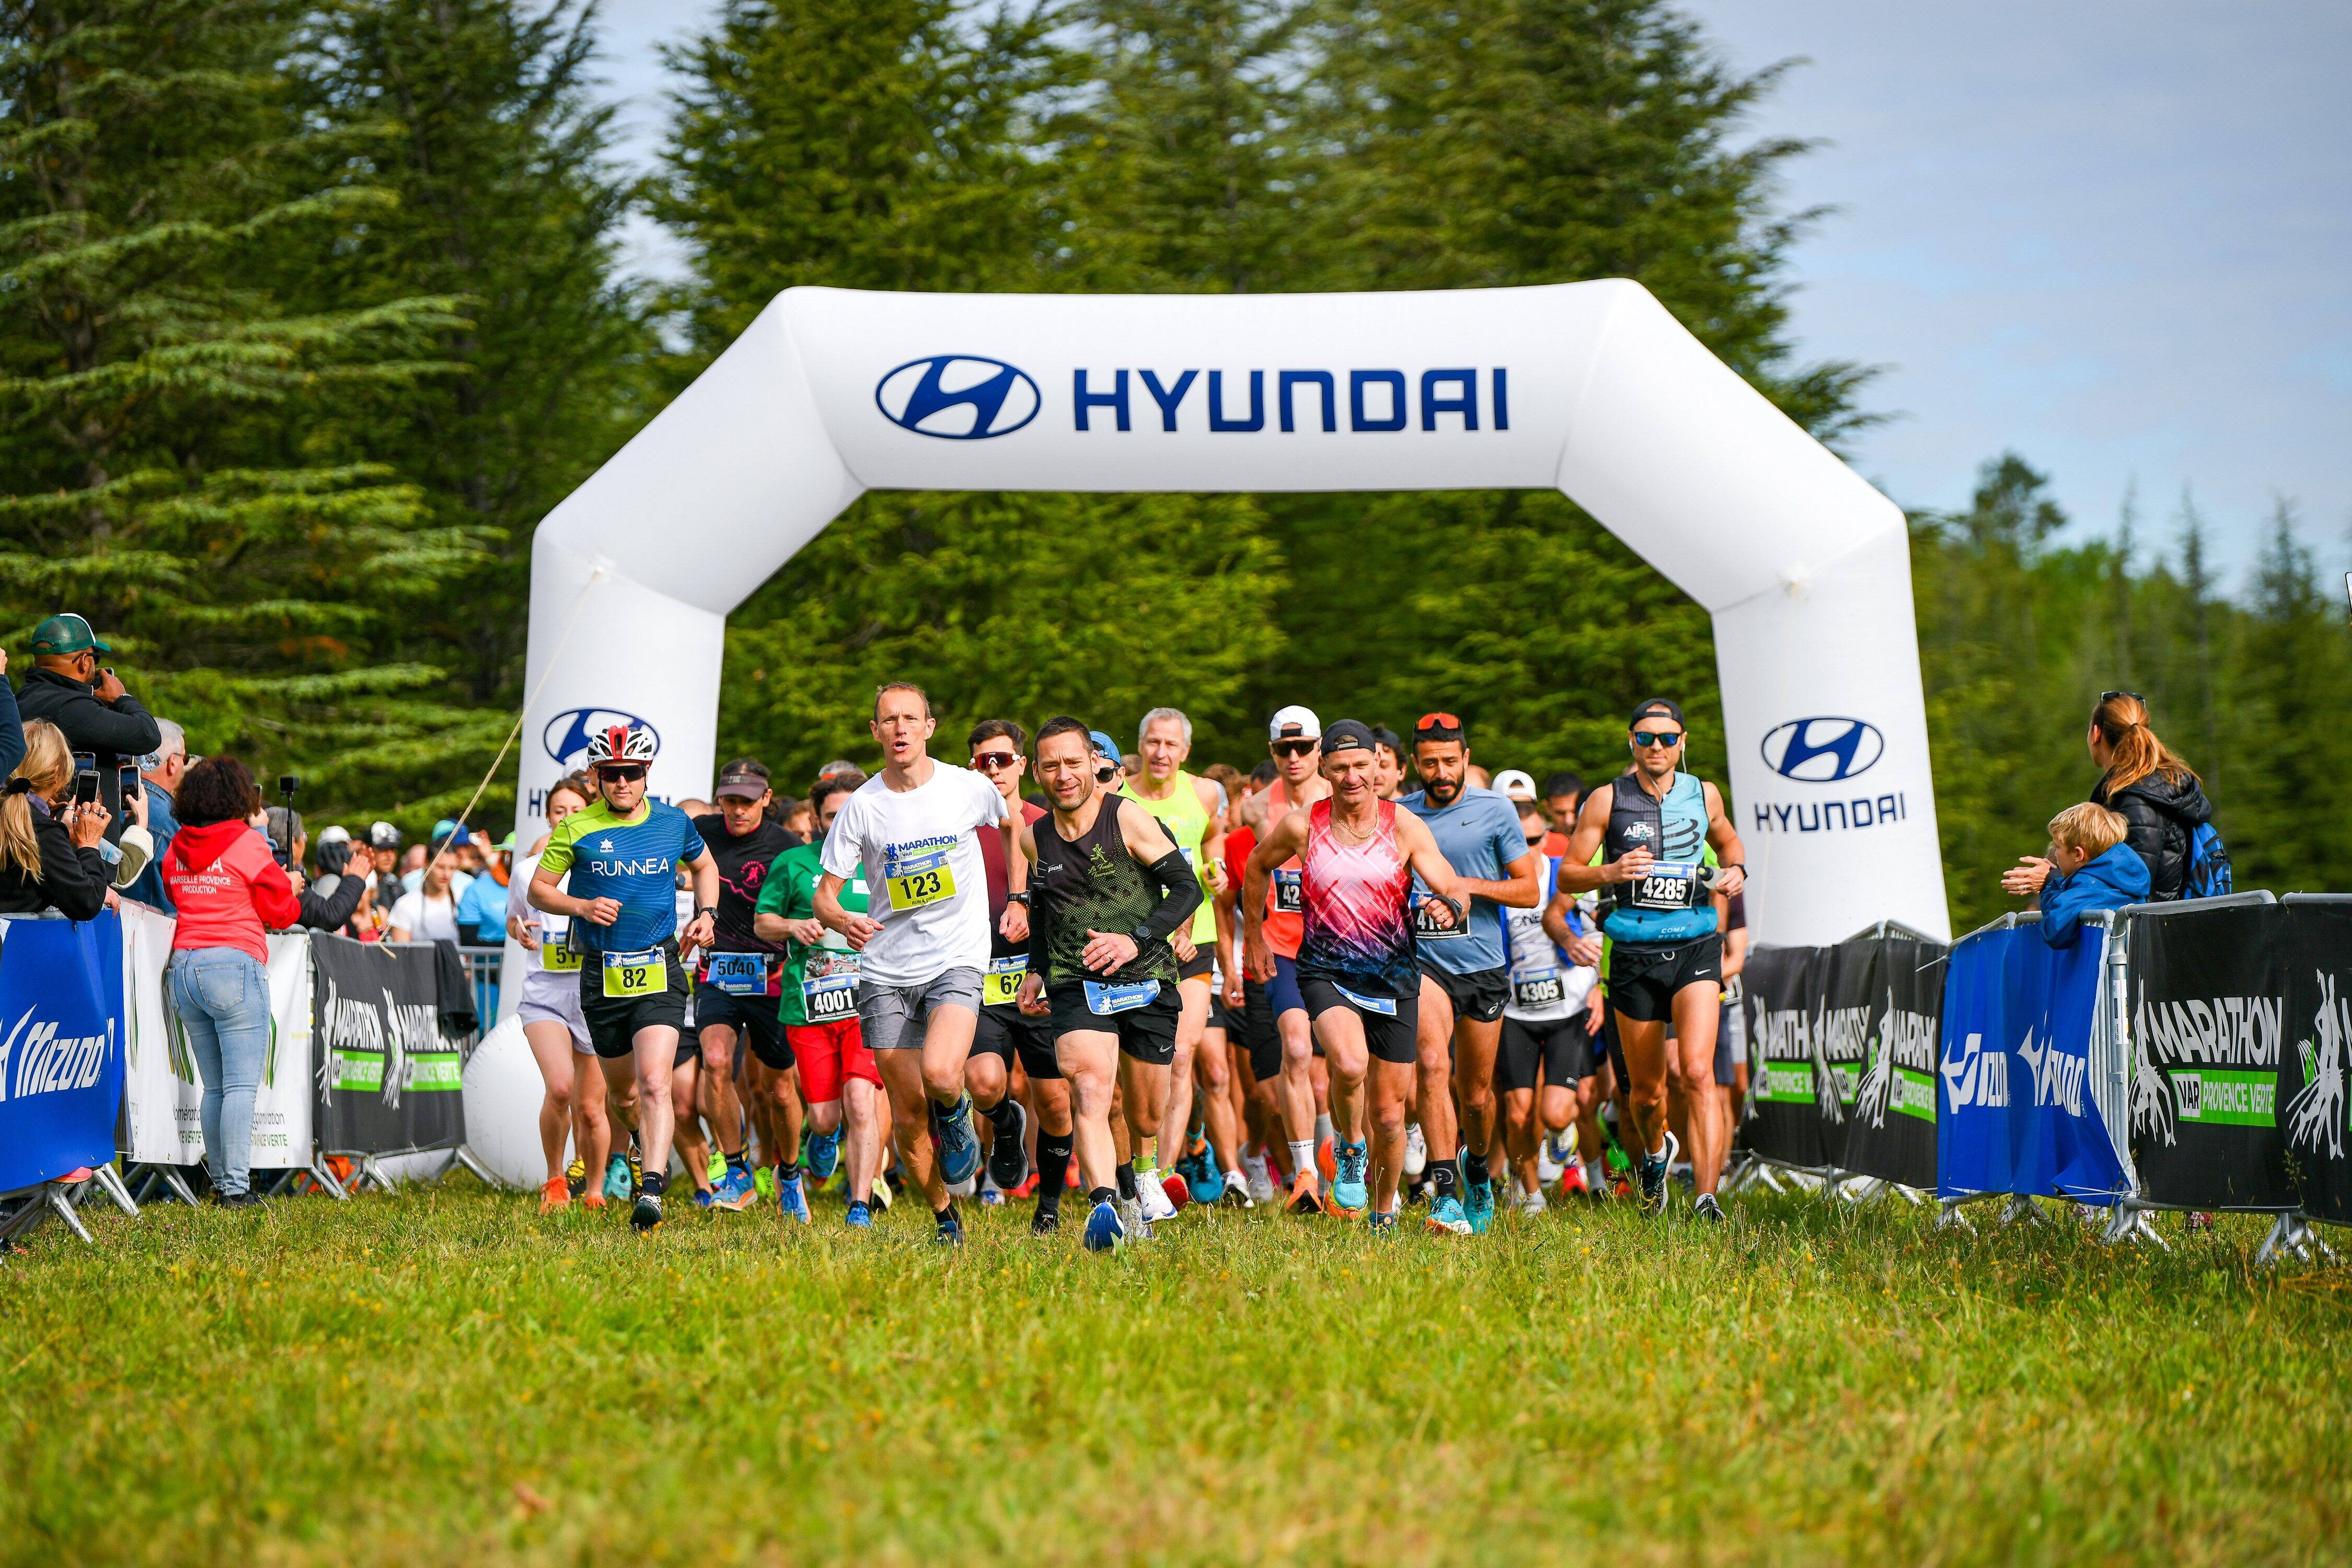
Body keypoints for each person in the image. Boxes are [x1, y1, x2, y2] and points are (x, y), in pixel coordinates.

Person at [813, 683, 1022, 1247]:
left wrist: (1021, 897)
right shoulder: (863, 806)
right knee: (906, 1115)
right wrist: (841, 921)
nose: (901, 728)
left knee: (940, 1073)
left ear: (930, 727)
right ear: (875, 732)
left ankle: (962, 1119)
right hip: (885, 970)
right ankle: (944, 1217)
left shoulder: (967, 787)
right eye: (889, 720)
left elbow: (1017, 823)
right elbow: (824, 896)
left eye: (911, 718)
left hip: (956, 954)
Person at [1243, 719, 1467, 1233]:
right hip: (1326, 970)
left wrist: (1447, 905)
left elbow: (1448, 880)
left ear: (1378, 768)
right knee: (1348, 1063)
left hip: (1393, 977)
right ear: (1325, 768)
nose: (1351, 778)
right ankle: (1349, 1149)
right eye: (1340, 768)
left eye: (1361, 767)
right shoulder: (1304, 826)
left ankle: (1384, 1209)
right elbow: (1256, 868)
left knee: (1391, 1114)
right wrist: (1255, 938)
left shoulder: (1404, 825)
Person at [1013, 717, 1203, 1250]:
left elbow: (1188, 891)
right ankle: (1102, 1206)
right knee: (1090, 1087)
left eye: (1073, 763)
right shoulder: (1035, 839)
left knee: (1145, 1112)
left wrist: (1136, 940)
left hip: (1146, 976)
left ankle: (1144, 1172)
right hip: (1076, 980)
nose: (1064, 774)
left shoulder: (1130, 820)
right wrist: (1035, 968)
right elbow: (1046, 910)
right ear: (1037, 770)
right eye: (1051, 765)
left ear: (1094, 765)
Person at [1555, 698, 1746, 1220]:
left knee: (1698, 1073)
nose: (1656, 746)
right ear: (1631, 742)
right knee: (1644, 1095)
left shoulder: (1704, 793)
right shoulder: (1605, 800)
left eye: (1666, 738)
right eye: (1645, 738)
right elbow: (1568, 876)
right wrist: (1612, 873)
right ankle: (1658, 1156)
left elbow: (1730, 843)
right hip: (1635, 955)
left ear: (1683, 742)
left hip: (1696, 947)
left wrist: (1737, 873)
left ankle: (1707, 1197)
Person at [530, 722, 720, 1235]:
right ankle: (637, 1141)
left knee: (656, 1080)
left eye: (631, 773)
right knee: (624, 1095)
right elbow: (538, 891)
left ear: (646, 774)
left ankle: (653, 1189)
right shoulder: (576, 828)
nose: (622, 783)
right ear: (597, 776)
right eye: (612, 774)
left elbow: (705, 866)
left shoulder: (674, 822)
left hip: (659, 964)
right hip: (602, 972)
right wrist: (581, 905)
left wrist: (706, 913)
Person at [1399, 713, 1543, 1234]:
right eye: (1430, 762)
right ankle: (1446, 1193)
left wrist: (1464, 887)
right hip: (1423, 964)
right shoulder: (1399, 815)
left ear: (1466, 758)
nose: (1441, 771)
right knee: (1433, 1065)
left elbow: (1527, 890)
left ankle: (1477, 1170)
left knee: (1477, 1096)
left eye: (1449, 761)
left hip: (1481, 965)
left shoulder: (1495, 810)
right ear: (1415, 764)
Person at [158, 757, 303, 1207]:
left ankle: (222, 1184)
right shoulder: (247, 843)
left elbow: (171, 889)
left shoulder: (177, 844)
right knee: (240, 1087)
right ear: (238, 797)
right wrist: (292, 887)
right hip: (234, 966)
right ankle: (236, 1189)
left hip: (184, 969)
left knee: (215, 1087)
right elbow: (282, 912)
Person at [1119, 707, 1239, 1211]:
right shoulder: (1118, 796)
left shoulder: (1206, 793)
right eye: (1152, 742)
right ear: (1141, 745)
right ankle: (1135, 1165)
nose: (1161, 752)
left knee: (1182, 1054)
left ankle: (1163, 1174)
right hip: (1138, 941)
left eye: (1171, 744)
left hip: (1196, 940)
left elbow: (1213, 840)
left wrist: (1217, 871)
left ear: (1185, 752)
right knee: (1137, 1061)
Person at [755, 772, 886, 1226]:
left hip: (869, 1004)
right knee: (827, 1117)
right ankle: (823, 1137)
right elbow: (762, 922)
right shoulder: (794, 863)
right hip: (809, 1006)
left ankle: (859, 1203)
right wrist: (793, 927)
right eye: (833, 815)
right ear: (816, 818)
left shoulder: (884, 862)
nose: (842, 823)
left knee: (860, 1101)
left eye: (850, 813)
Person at [967, 720, 1077, 1231]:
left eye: (1003, 759)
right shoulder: (959, 825)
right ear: (972, 766)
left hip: (1041, 977)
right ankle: (1005, 1126)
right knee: (984, 1083)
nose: (994, 768)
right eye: (984, 760)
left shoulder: (1050, 823)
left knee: (1056, 1103)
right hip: (980, 975)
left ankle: (1049, 1206)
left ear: (1022, 765)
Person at [690, 758, 802, 1215]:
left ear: (767, 800)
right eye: (730, 802)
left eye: (747, 803)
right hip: (717, 971)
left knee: (776, 1090)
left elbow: (805, 906)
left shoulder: (786, 846)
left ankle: (790, 1174)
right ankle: (737, 1169)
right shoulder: (701, 832)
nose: (737, 811)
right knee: (716, 1062)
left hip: (772, 976)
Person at [2003, 692, 2215, 905]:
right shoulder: (2156, 788)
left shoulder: (2136, 800)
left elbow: (2130, 886)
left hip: (2148, 934)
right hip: (2164, 926)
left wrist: (2051, 879)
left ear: (2096, 734)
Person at [507, 775, 610, 1213]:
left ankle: (596, 1189)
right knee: (562, 1088)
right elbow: (514, 920)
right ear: (548, 816)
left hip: (595, 994)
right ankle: (554, 1179)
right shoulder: (528, 871)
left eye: (574, 810)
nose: (565, 818)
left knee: (592, 1107)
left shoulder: (604, 866)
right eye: (557, 811)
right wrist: (521, 933)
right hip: (545, 995)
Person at [1250, 704, 1336, 1213]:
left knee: (1343, 1070)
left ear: (1319, 750)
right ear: (1273, 752)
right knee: (1298, 1051)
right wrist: (1253, 941)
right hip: (1284, 949)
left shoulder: (1344, 798)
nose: (1295, 757)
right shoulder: (1255, 809)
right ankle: (1305, 1173)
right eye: (1285, 749)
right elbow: (1252, 872)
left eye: (1304, 747)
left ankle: (1339, 1166)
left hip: (1341, 947)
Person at [1498, 799, 1598, 1216]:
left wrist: (1600, 989)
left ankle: (1563, 1133)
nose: (1529, 849)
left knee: (1556, 1113)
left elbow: (1602, 930)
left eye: (1536, 839)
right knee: (1518, 1114)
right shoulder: (1496, 883)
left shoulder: (1566, 875)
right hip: (1514, 1011)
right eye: (1518, 842)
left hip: (1568, 1007)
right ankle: (1532, 1195)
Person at [14, 613, 159, 841]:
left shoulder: (22, 698)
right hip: (79, 850)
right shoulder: (72, 708)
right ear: (84, 661)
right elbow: (147, 735)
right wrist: (122, 697)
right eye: (95, 657)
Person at [0, 720, 110, 919]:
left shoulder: (17, 815)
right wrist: (88, 844)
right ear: (57, 773)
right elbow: (86, 902)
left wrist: (59, 835)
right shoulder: (42, 832)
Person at [2033, 803, 2150, 948]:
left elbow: (2054, 931)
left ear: (2078, 854)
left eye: (2058, 847)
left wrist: (2051, 885)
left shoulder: (2088, 888)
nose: (2055, 853)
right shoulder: (2122, 878)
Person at [121, 717, 185, 910]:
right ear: (172, 763)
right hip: (153, 932)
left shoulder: (105, 801)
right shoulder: (170, 820)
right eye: (186, 758)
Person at [388, 859, 464, 943]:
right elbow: (400, 953)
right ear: (427, 865)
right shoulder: (405, 904)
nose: (446, 874)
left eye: (452, 868)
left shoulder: (463, 901)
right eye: (441, 867)